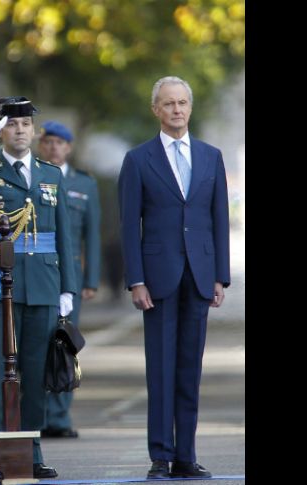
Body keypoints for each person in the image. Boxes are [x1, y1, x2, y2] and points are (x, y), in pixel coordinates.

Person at [0, 97, 76, 479]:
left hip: (43, 284)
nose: (19, 130)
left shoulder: (51, 174)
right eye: (10, 124)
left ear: (33, 131)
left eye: (25, 124)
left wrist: (67, 288)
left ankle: (30, 453)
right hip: (0, 286)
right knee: (2, 373)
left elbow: (64, 234)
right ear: (0, 131)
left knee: (35, 375)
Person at [118, 76, 230, 479]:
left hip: (200, 276)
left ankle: (186, 456)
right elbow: (128, 225)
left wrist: (220, 276)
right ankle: (161, 457)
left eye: (182, 102)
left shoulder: (211, 156)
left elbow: (218, 219)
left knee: (189, 370)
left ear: (190, 107)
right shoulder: (138, 160)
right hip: (157, 279)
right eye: (168, 103)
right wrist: (136, 280)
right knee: (161, 370)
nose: (176, 109)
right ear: (156, 110)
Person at [37, 121, 101, 439]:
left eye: (59, 143)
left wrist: (91, 279)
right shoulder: (32, 176)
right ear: (41, 145)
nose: (53, 148)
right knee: (35, 343)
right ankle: (36, 414)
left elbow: (92, 233)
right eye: (48, 142)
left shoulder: (84, 184)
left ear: (69, 147)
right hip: (37, 271)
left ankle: (59, 417)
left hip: (69, 276)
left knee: (65, 343)